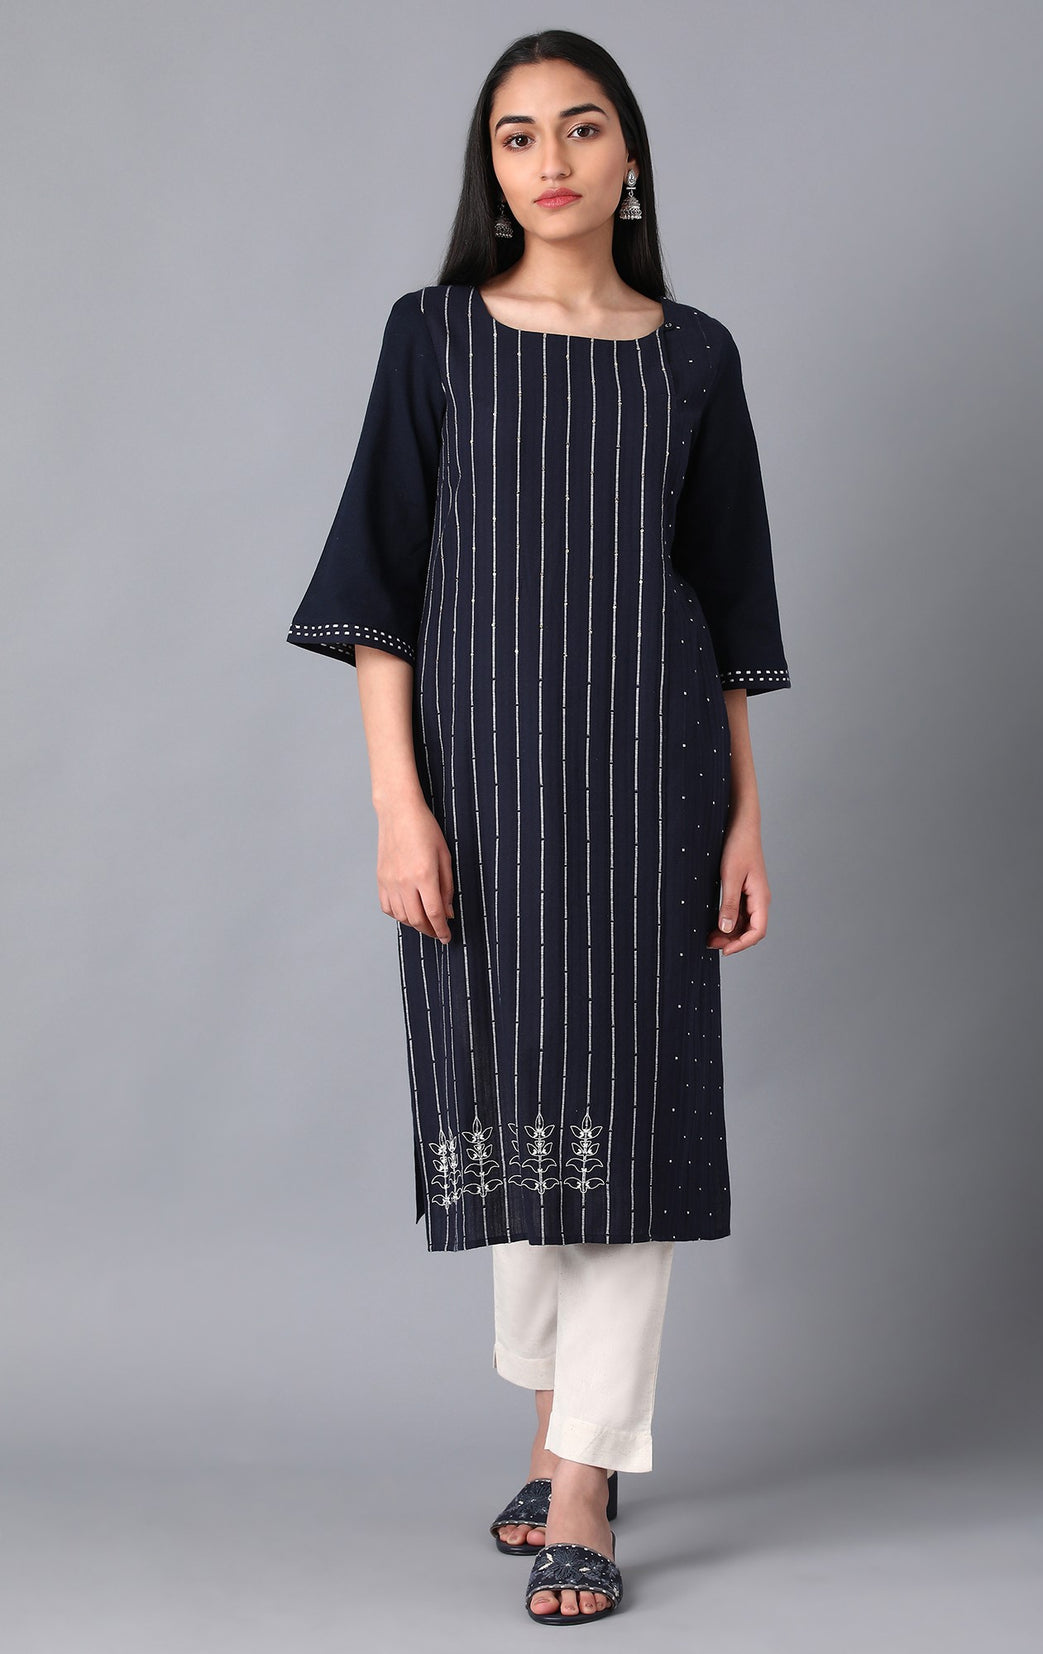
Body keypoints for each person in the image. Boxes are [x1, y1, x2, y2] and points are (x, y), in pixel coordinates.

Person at [286, 29, 791, 1626]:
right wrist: (399, 805)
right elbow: (377, 592)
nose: (550, 160)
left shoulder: (693, 356)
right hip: (481, 790)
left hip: (654, 785)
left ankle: (584, 1480)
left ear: (630, 155)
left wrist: (746, 818)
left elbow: (726, 607)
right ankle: (560, 1418)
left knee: (633, 1117)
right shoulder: (433, 335)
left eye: (581, 128)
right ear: (490, 169)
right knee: (520, 1106)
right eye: (517, 136)